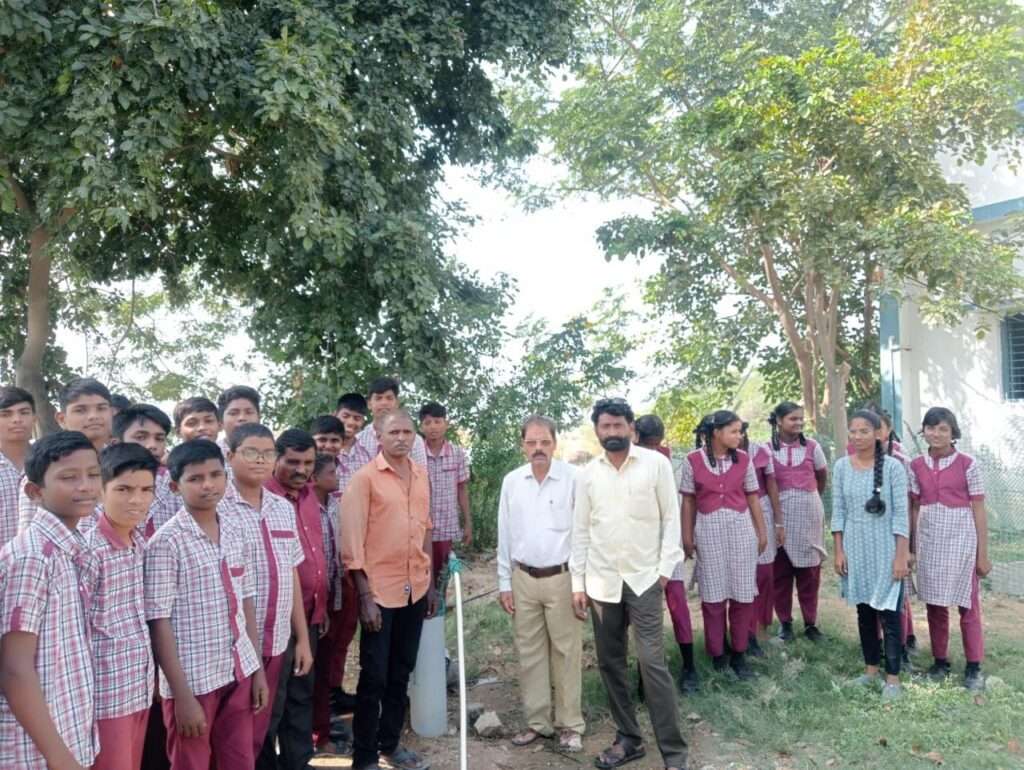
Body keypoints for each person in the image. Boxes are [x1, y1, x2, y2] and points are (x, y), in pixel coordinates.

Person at [571, 397, 687, 770]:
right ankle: (629, 739)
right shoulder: (588, 475)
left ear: (631, 428)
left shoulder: (656, 465)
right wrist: (577, 583)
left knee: (652, 664)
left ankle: (674, 753)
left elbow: (671, 518)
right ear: (597, 431)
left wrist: (665, 569)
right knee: (611, 663)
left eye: (618, 425)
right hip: (601, 582)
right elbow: (581, 530)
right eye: (605, 426)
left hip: (644, 579)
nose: (612, 432)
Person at [145, 439, 269, 768]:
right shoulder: (166, 543)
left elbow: (246, 602)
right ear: (175, 486)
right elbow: (159, 622)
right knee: (192, 763)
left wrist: (257, 670)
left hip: (238, 669)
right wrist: (182, 696)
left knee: (239, 759)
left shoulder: (235, 530)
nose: (208, 485)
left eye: (215, 475)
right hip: (193, 681)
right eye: (195, 478)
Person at [341, 409, 436, 770]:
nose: (401, 438)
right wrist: (365, 598)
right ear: (378, 437)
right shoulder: (364, 479)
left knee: (401, 672)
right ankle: (364, 756)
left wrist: (430, 584)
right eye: (393, 432)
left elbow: (426, 529)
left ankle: (390, 744)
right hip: (379, 594)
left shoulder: (421, 475)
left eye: (407, 432)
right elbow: (352, 544)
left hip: (415, 589)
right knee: (374, 677)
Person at [0, 431, 101, 770]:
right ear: (35, 491)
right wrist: (59, 757)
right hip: (36, 752)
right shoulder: (33, 558)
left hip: (67, 729)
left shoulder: (69, 548)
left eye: (93, 474)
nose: (85, 486)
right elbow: (14, 669)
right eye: (69, 477)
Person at [220, 423, 314, 754]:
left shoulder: (282, 509)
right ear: (230, 456)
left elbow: (291, 575)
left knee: (263, 726)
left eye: (267, 453)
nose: (260, 460)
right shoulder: (216, 509)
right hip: (232, 647)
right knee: (232, 734)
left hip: (276, 641)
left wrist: (302, 639)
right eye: (251, 452)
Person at [497, 415, 584, 753]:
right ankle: (537, 723)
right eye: (531, 442)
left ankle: (569, 724)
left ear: (555, 444)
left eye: (544, 442)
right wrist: (504, 581)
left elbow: (582, 533)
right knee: (529, 652)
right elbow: (505, 533)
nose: (538, 448)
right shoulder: (512, 482)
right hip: (523, 578)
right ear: (523, 445)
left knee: (566, 652)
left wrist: (580, 583)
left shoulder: (573, 479)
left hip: (562, 578)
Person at [83, 443, 159, 770]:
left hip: (137, 686)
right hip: (104, 695)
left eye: (146, 490)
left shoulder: (139, 541)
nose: (136, 499)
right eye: (124, 489)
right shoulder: (89, 549)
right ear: (101, 490)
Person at [258, 429, 326, 770]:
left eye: (308, 463)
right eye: (293, 462)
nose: (302, 470)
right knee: (271, 702)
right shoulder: (263, 499)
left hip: (309, 615)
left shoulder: (311, 495)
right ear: (275, 459)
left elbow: (314, 555)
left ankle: (299, 762)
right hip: (272, 620)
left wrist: (321, 608)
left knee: (301, 695)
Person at [909, 407, 990, 691]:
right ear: (924, 431)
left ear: (953, 432)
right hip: (930, 540)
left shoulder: (968, 464)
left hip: (962, 540)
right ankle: (940, 662)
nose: (936, 434)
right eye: (930, 428)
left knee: (968, 605)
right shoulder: (916, 466)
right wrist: (912, 548)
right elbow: (914, 508)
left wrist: (982, 554)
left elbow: (978, 509)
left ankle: (974, 667)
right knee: (935, 604)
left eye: (943, 429)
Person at [832, 410, 910, 702]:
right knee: (864, 612)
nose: (857, 436)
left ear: (878, 434)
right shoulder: (841, 466)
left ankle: (893, 679)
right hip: (855, 548)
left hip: (886, 549)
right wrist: (839, 550)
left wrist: (901, 556)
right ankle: (871, 670)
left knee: (890, 615)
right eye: (853, 431)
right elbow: (838, 511)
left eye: (864, 431)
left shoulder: (893, 468)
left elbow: (901, 515)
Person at [682, 412, 767, 679]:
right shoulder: (692, 460)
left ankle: (739, 654)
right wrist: (687, 536)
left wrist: (761, 532)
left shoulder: (744, 459)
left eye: (740, 431)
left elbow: (752, 497)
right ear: (716, 433)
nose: (739, 436)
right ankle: (718, 654)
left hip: (741, 531)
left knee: (742, 594)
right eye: (734, 431)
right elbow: (689, 501)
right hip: (708, 533)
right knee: (713, 596)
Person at [18, 377, 113, 533]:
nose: (93, 416)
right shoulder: (43, 467)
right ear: (62, 419)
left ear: (112, 413)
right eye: (81, 410)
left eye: (101, 408)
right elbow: (29, 534)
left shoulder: (124, 463)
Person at [767, 402, 828, 642]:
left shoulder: (813, 447)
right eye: (793, 419)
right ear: (779, 421)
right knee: (780, 573)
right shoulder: (766, 450)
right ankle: (785, 624)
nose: (799, 423)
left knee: (809, 573)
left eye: (801, 419)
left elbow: (822, 477)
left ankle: (811, 624)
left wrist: (807, 498)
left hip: (809, 517)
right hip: (779, 518)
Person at [330, 394, 373, 716]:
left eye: (357, 418)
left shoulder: (366, 455)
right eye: (347, 416)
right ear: (337, 414)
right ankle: (321, 697)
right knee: (325, 628)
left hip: (356, 549)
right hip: (323, 546)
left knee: (346, 626)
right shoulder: (321, 451)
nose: (351, 423)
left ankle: (335, 690)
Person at [310, 452, 350, 756]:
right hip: (314, 603)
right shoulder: (304, 508)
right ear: (315, 478)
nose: (337, 477)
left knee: (326, 667)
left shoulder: (335, 505)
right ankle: (316, 735)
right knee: (313, 673)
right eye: (331, 473)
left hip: (336, 596)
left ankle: (322, 731)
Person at [419, 401, 471, 586]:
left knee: (441, 577)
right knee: (420, 575)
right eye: (427, 422)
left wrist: (468, 523)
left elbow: (462, 489)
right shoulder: (414, 453)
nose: (433, 427)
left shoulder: (457, 453)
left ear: (446, 424)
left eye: (437, 421)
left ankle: (438, 604)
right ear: (421, 427)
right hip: (420, 529)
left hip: (446, 527)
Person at [743, 425, 782, 656]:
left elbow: (772, 486)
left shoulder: (760, 452)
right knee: (742, 577)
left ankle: (762, 628)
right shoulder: (714, 456)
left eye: (740, 431)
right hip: (734, 516)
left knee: (765, 575)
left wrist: (778, 522)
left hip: (762, 513)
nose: (738, 435)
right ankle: (742, 631)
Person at [113, 404, 179, 538]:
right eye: (141, 437)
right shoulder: (98, 487)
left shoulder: (175, 484)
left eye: (159, 439)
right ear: (117, 443)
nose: (152, 445)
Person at [354, 377, 428, 466]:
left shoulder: (415, 440)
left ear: (397, 403)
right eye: (378, 398)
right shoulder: (358, 440)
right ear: (369, 404)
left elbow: (420, 473)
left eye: (389, 398)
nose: (384, 403)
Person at [0, 386, 34, 547]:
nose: (17, 419)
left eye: (24, 412)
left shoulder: (51, 462)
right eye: (6, 414)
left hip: (42, 560)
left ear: (34, 418)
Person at [217, 385, 261, 452]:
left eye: (249, 412)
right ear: (221, 421)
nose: (242, 418)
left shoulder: (273, 452)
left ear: (259, 418)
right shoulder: (210, 453)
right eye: (233, 413)